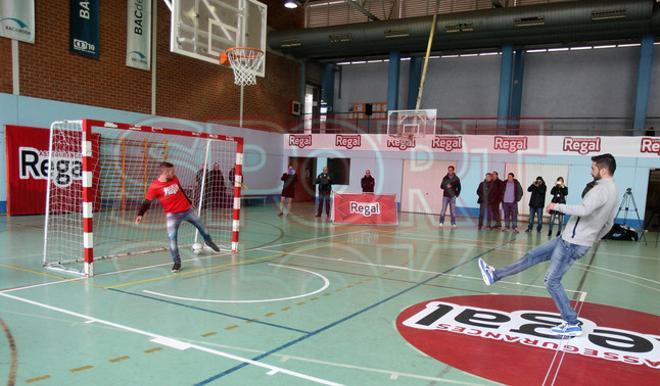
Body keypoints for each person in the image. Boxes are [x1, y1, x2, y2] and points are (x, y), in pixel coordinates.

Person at [478, 154, 618, 337]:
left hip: (572, 243)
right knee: (532, 255)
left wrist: (556, 206)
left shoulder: (601, 190)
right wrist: (593, 238)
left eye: (593, 168)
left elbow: (584, 210)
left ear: (603, 170)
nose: (590, 171)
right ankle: (494, 275)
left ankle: (571, 322)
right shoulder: (614, 190)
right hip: (568, 240)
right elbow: (609, 223)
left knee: (551, 281)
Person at [135, 162, 220, 272]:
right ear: (166, 173)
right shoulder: (154, 187)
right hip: (172, 216)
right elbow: (147, 202)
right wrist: (140, 214)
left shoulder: (174, 178)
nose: (174, 173)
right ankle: (177, 262)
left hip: (187, 210)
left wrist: (189, 201)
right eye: (172, 171)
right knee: (172, 239)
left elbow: (180, 190)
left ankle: (208, 241)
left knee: (202, 226)